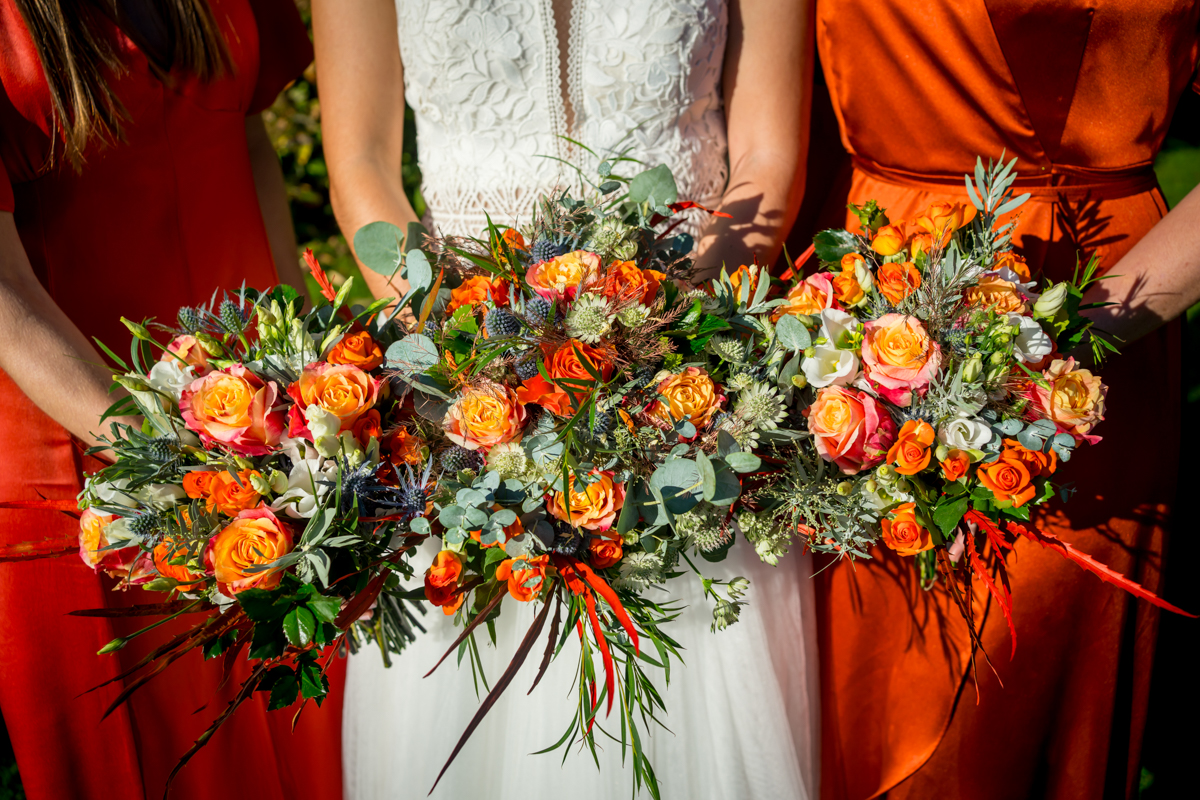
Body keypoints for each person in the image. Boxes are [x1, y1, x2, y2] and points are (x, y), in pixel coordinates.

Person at [314, 0, 817, 797]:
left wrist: (639, 344)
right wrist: (473, 355)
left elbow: (766, 157)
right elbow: (363, 164)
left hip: (678, 404)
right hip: (461, 409)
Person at [799, 1, 1200, 798]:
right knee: (864, 697)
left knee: (1017, 705)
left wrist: (1059, 345)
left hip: (1104, 309)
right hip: (862, 305)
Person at [0, 1, 344, 798]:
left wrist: (307, 373)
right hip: (89, 487)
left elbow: (249, 135)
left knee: (319, 763)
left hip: (277, 453)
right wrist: (178, 470)